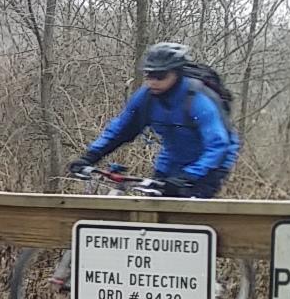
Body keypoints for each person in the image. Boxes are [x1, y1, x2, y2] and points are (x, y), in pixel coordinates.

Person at [69, 42, 239, 197]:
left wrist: (188, 176)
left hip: (210, 163)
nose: (153, 82)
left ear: (177, 73)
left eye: (160, 76)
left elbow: (218, 145)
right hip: (171, 161)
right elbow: (121, 130)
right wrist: (90, 156)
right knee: (155, 209)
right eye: (149, 75)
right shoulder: (146, 98)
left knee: (188, 217)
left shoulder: (198, 99)